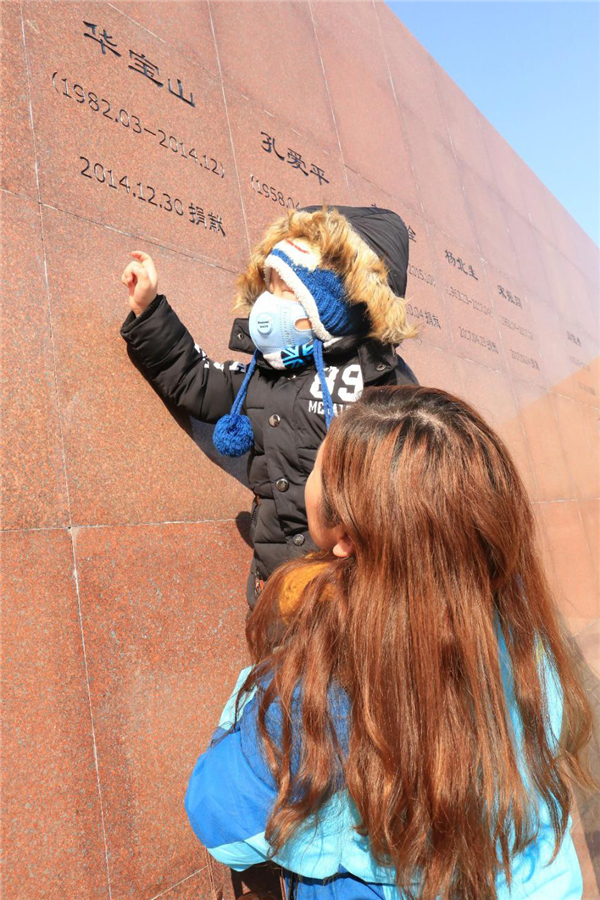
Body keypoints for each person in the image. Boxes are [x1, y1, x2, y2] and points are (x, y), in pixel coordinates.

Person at [185, 385, 596, 900]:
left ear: (346, 538)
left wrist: (252, 694)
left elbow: (218, 817)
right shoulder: (528, 649)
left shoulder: (321, 696)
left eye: (318, 466)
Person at [120, 205, 419, 608]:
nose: (269, 303)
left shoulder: (382, 385)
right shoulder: (264, 372)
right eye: (270, 286)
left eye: (287, 288)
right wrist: (149, 309)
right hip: (272, 589)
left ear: (336, 300)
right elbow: (197, 380)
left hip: (347, 599)